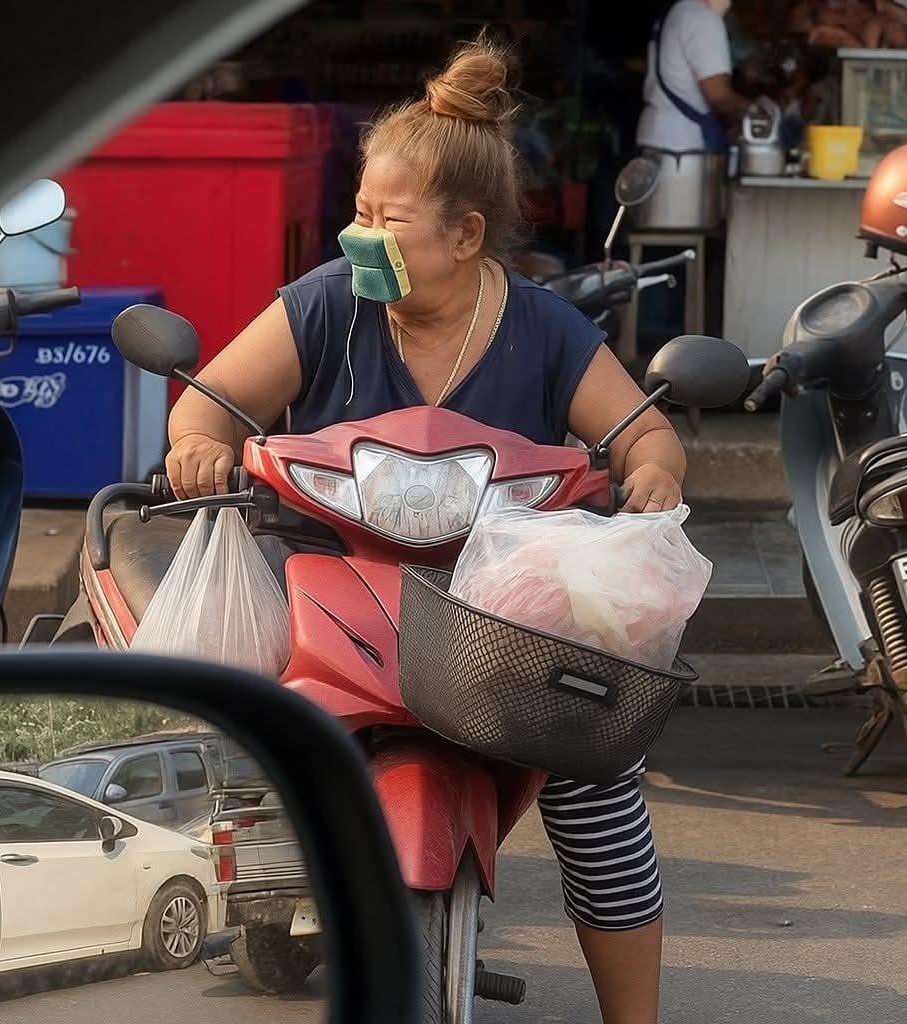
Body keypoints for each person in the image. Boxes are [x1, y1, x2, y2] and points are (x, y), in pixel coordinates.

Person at [167, 36, 685, 1024]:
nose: (358, 235)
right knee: (231, 735)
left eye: (384, 220)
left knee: (597, 780)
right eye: (356, 211)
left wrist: (653, 472)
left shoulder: (542, 326)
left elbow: (643, 433)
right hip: (335, 585)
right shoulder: (326, 304)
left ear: (465, 234)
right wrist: (198, 443)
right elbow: (213, 402)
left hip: (498, 607)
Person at [636, 0, 753, 155]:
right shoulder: (703, 19)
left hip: (659, 136)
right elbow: (718, 97)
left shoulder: (678, 11)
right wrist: (757, 110)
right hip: (681, 146)